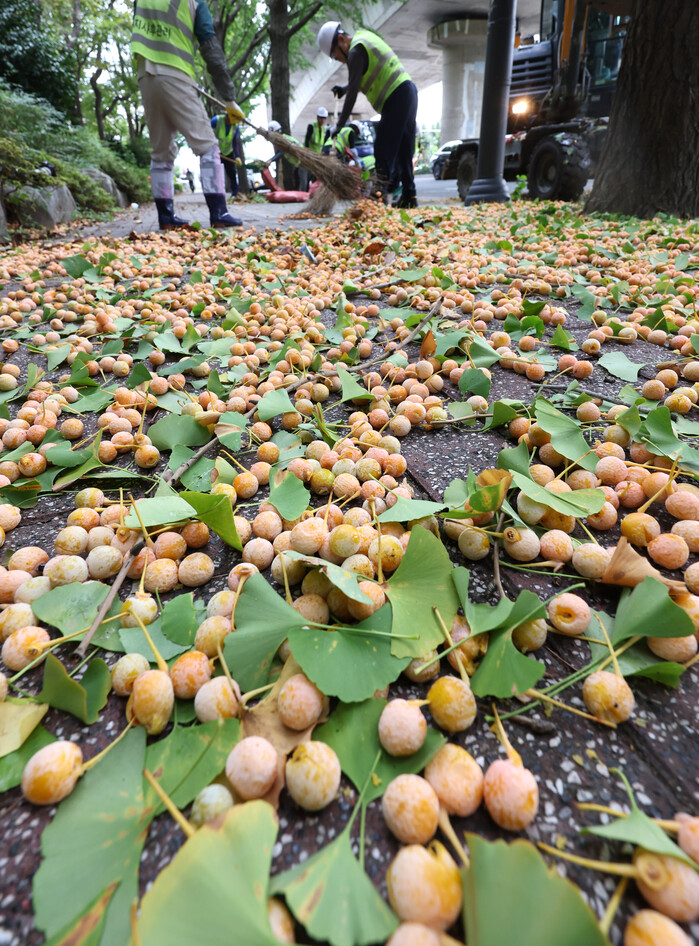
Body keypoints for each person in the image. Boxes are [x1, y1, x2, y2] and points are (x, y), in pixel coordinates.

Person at [131, 0, 243, 229]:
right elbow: (211, 49)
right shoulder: (193, 2)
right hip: (176, 74)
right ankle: (219, 212)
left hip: (145, 77)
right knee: (208, 146)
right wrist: (229, 98)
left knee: (161, 151)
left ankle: (166, 217)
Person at [317, 21, 418, 208]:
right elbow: (361, 78)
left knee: (383, 149)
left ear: (341, 40)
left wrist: (339, 125)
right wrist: (345, 88)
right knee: (404, 150)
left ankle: (378, 199)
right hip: (408, 91)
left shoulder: (355, 52)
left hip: (395, 96)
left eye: (335, 54)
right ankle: (409, 196)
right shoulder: (363, 39)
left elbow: (353, 95)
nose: (338, 60)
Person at [211, 113, 242, 198]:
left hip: (228, 152)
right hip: (216, 152)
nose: (233, 123)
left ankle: (235, 194)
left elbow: (235, 142)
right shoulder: (216, 121)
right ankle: (217, 194)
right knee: (216, 173)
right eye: (232, 121)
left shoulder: (235, 126)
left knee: (232, 173)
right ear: (227, 118)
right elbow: (207, 133)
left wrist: (237, 156)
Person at [302, 106, 330, 188]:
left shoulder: (325, 130)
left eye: (324, 118)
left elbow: (324, 143)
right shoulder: (312, 126)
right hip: (310, 155)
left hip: (318, 156)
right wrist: (307, 152)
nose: (322, 120)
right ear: (317, 117)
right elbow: (307, 140)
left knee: (316, 176)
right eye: (321, 118)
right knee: (307, 176)